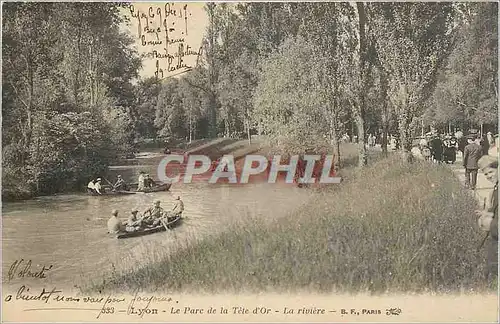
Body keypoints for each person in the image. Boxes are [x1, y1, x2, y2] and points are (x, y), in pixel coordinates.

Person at [476, 155, 498, 279]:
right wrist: (488, 214)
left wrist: (491, 223)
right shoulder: (496, 188)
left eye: (491, 171)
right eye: (486, 174)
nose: (489, 176)